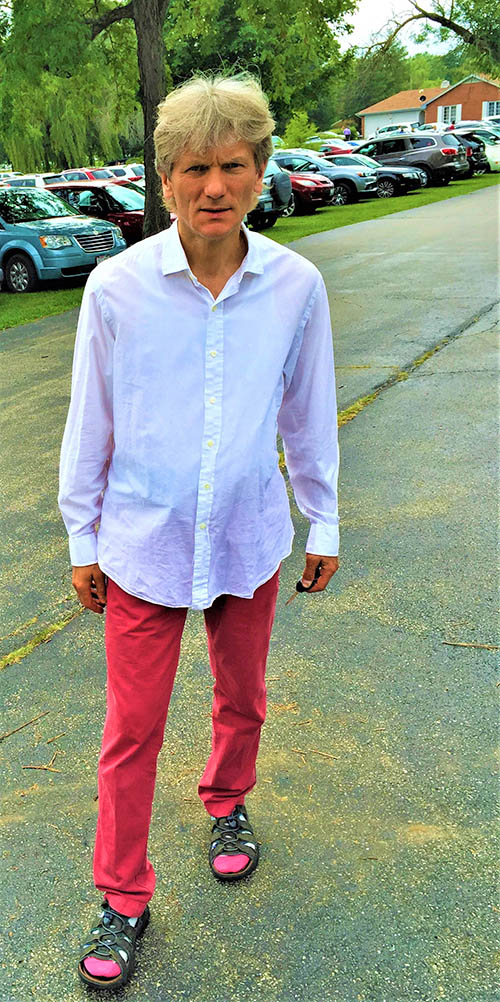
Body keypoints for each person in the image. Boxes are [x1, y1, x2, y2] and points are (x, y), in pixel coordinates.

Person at [58, 72, 340, 991]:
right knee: (131, 730)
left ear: (260, 171)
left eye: (232, 166)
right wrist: (82, 538)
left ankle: (227, 801)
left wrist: (324, 518)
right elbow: (91, 421)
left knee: (243, 697)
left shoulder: (294, 287)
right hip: (142, 544)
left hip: (247, 536)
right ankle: (122, 894)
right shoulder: (117, 288)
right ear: (167, 178)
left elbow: (308, 414)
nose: (214, 187)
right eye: (193, 169)